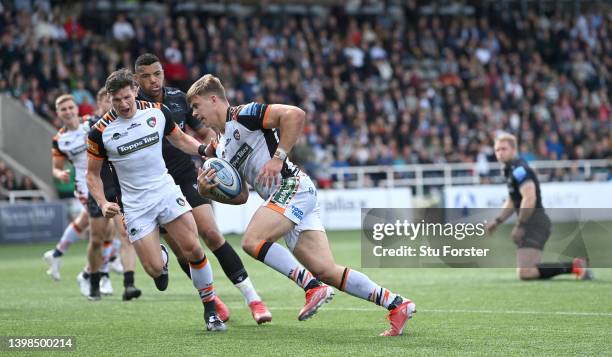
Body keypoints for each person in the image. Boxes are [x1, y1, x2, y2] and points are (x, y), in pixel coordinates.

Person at [188, 74, 416, 336]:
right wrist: (209, 193)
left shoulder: (244, 114)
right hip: (284, 199)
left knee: (252, 240)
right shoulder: (222, 148)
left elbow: (295, 114)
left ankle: (311, 287)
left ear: (213, 99)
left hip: (292, 186)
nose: (195, 114)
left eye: (196, 106)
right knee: (327, 270)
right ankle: (397, 304)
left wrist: (277, 158)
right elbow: (240, 197)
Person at [134, 53, 269, 324]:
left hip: (186, 175)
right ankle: (211, 300)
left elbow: (204, 132)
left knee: (211, 233)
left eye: (157, 73)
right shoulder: (131, 107)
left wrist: (215, 157)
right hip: (154, 187)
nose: (153, 80)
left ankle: (253, 299)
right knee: (186, 249)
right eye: (146, 76)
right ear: (137, 78)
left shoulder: (177, 98)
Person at [86, 69, 225, 331]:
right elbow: (92, 175)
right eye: (116, 100)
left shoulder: (157, 112)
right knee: (154, 270)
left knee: (194, 249)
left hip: (166, 191)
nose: (124, 105)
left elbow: (180, 139)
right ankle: (161, 258)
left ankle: (211, 311)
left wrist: (203, 150)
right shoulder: (100, 132)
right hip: (135, 205)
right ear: (110, 99)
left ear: (135, 90)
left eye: (127, 97)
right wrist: (103, 202)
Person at [487, 133, 593, 280]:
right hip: (533, 223)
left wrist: (520, 225)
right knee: (529, 271)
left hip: (535, 224)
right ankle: (576, 265)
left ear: (513, 150)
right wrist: (497, 221)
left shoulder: (519, 169)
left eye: (503, 149)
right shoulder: (509, 169)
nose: (499, 153)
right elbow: (512, 200)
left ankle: (575, 266)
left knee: (526, 273)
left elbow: (529, 198)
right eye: (497, 150)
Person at [79, 87, 141, 301]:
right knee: (96, 239)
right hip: (99, 188)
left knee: (125, 235)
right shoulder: (92, 128)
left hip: (120, 187)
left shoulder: (126, 123)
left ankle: (129, 284)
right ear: (100, 103)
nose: (112, 104)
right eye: (107, 100)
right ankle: (94, 280)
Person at [43, 95, 90, 281]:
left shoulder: (90, 123)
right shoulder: (59, 139)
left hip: (106, 178)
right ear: (58, 114)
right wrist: (59, 174)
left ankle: (56, 254)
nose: (68, 111)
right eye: (63, 109)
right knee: (106, 223)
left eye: (71, 107)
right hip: (84, 184)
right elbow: (56, 167)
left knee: (86, 220)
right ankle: (97, 272)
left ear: (77, 108)